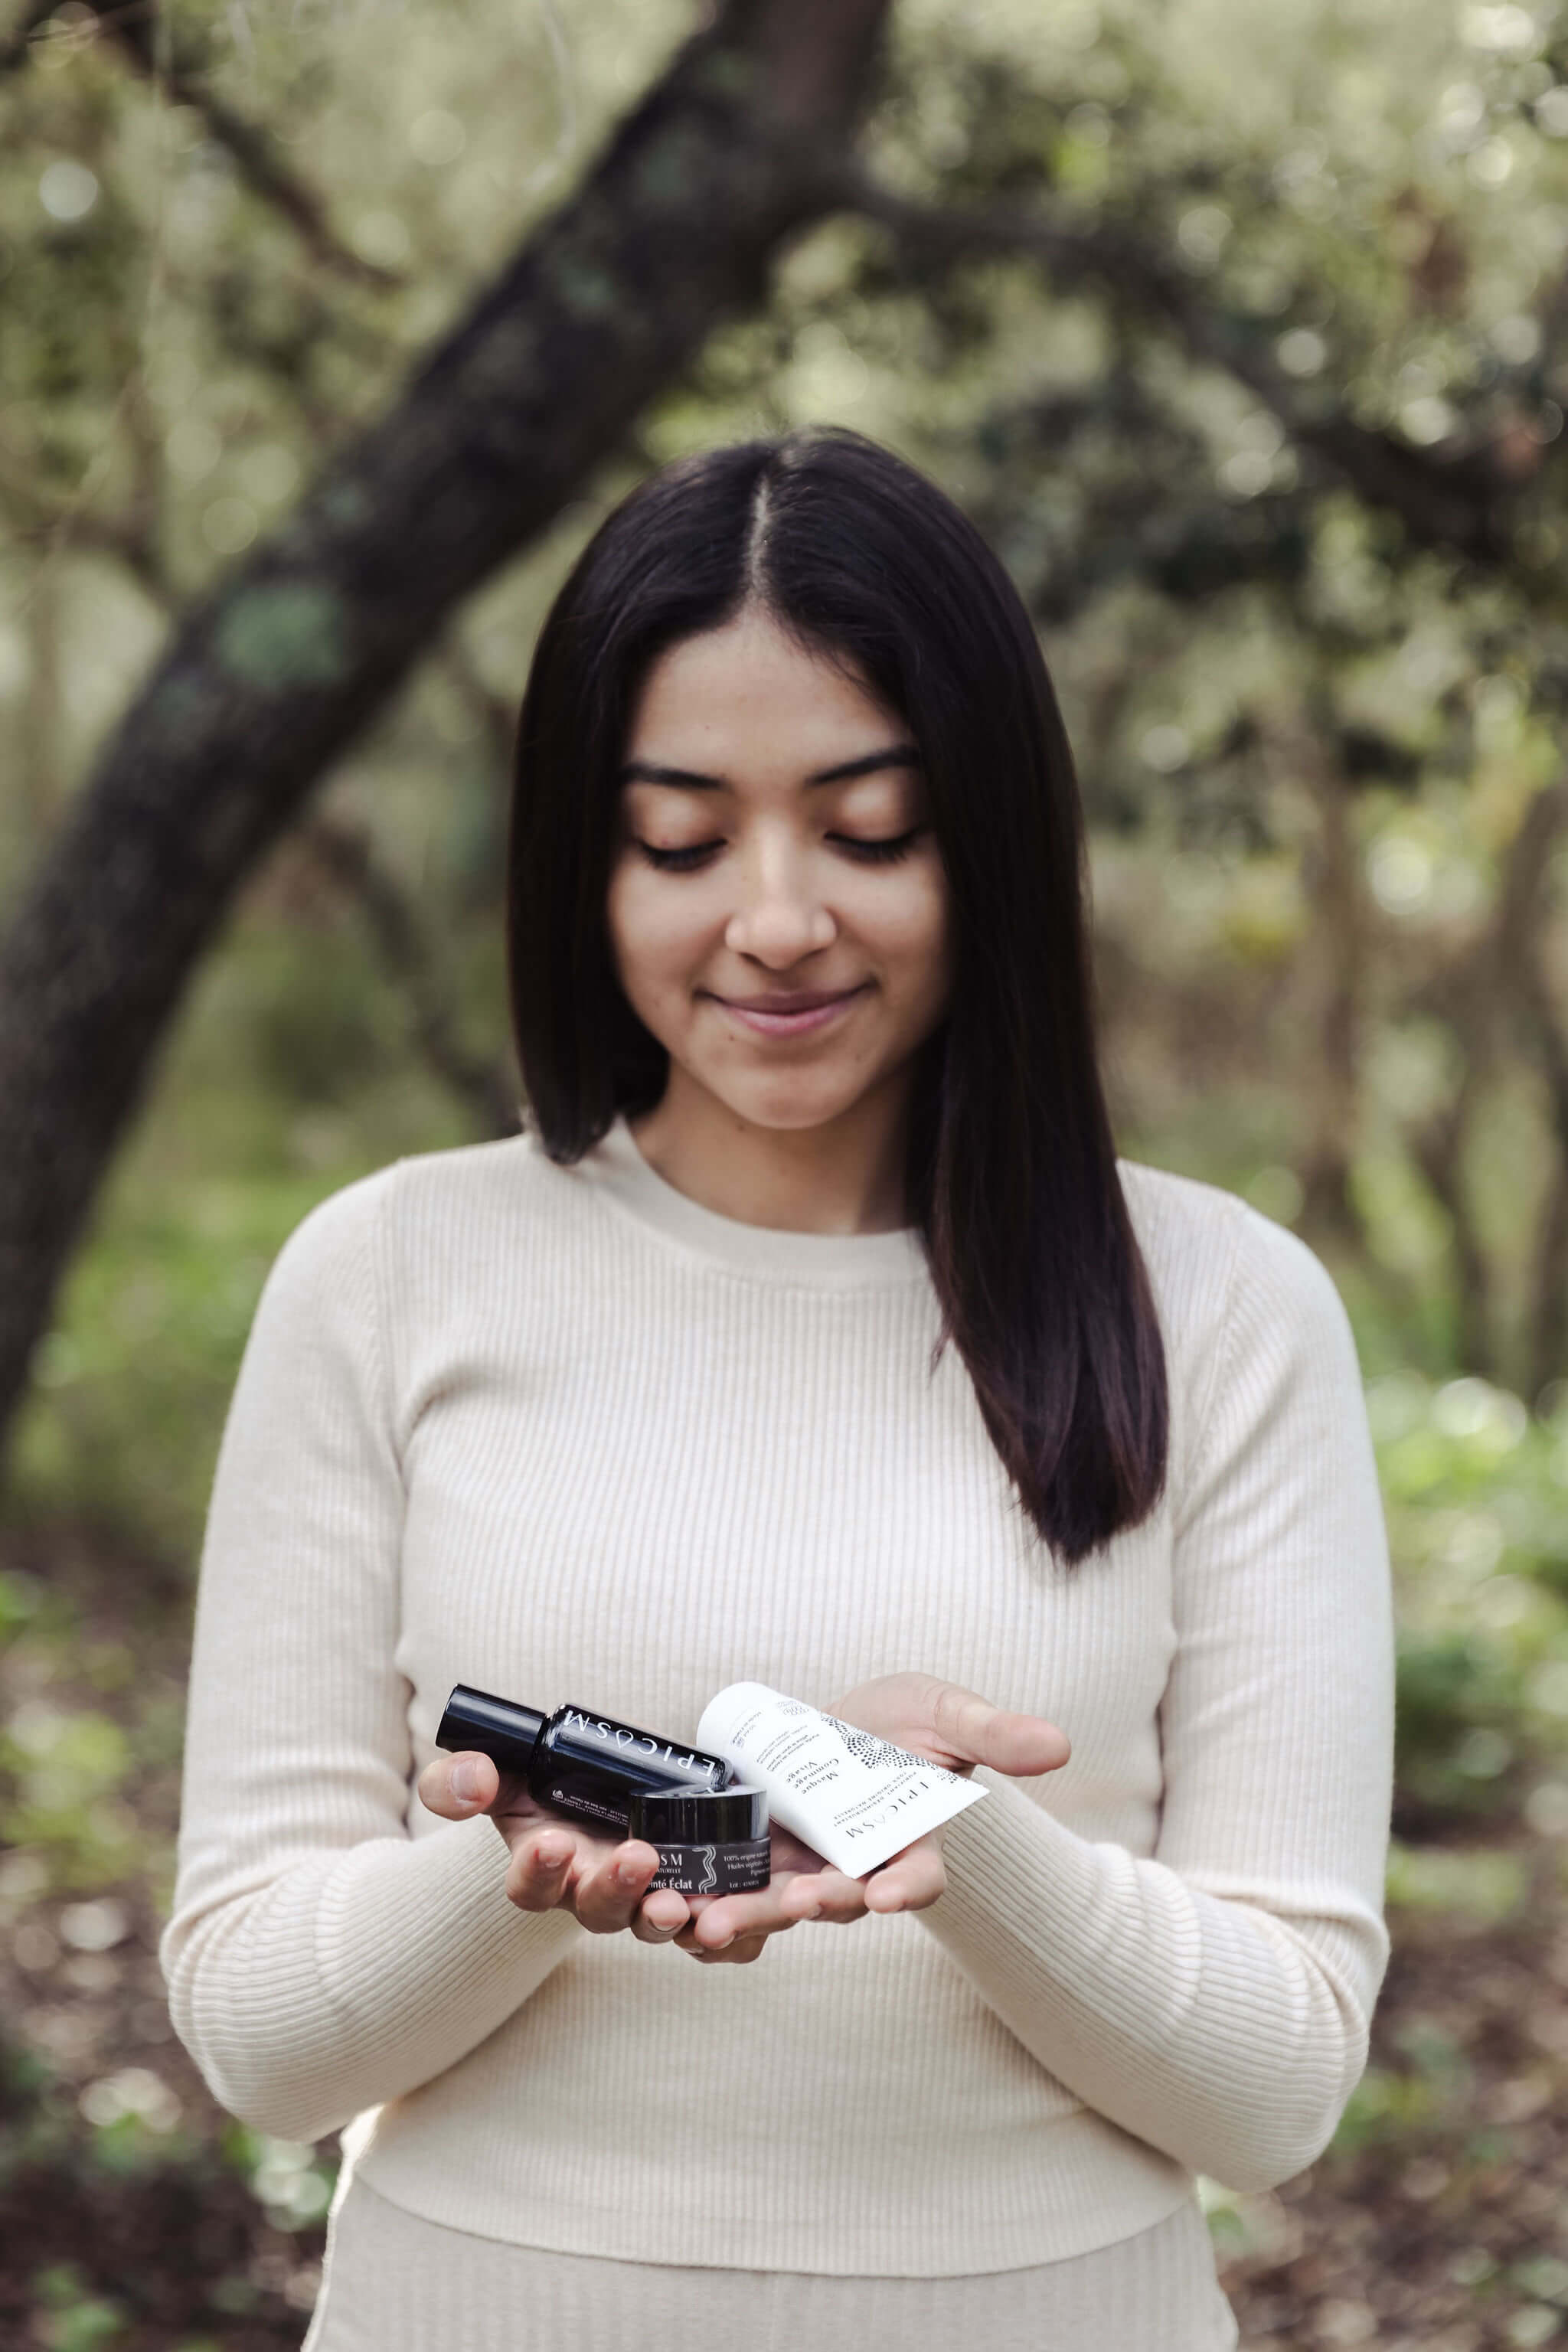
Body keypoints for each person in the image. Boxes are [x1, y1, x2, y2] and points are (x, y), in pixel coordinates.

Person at [161, 427, 1394, 2352]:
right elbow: (252, 2029)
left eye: (868, 828)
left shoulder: (1223, 1310)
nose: (775, 918)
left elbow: (1279, 2085)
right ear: (584, 862)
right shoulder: (390, 1276)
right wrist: (524, 1873)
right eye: (679, 839)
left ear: (984, 838)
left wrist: (937, 1830)